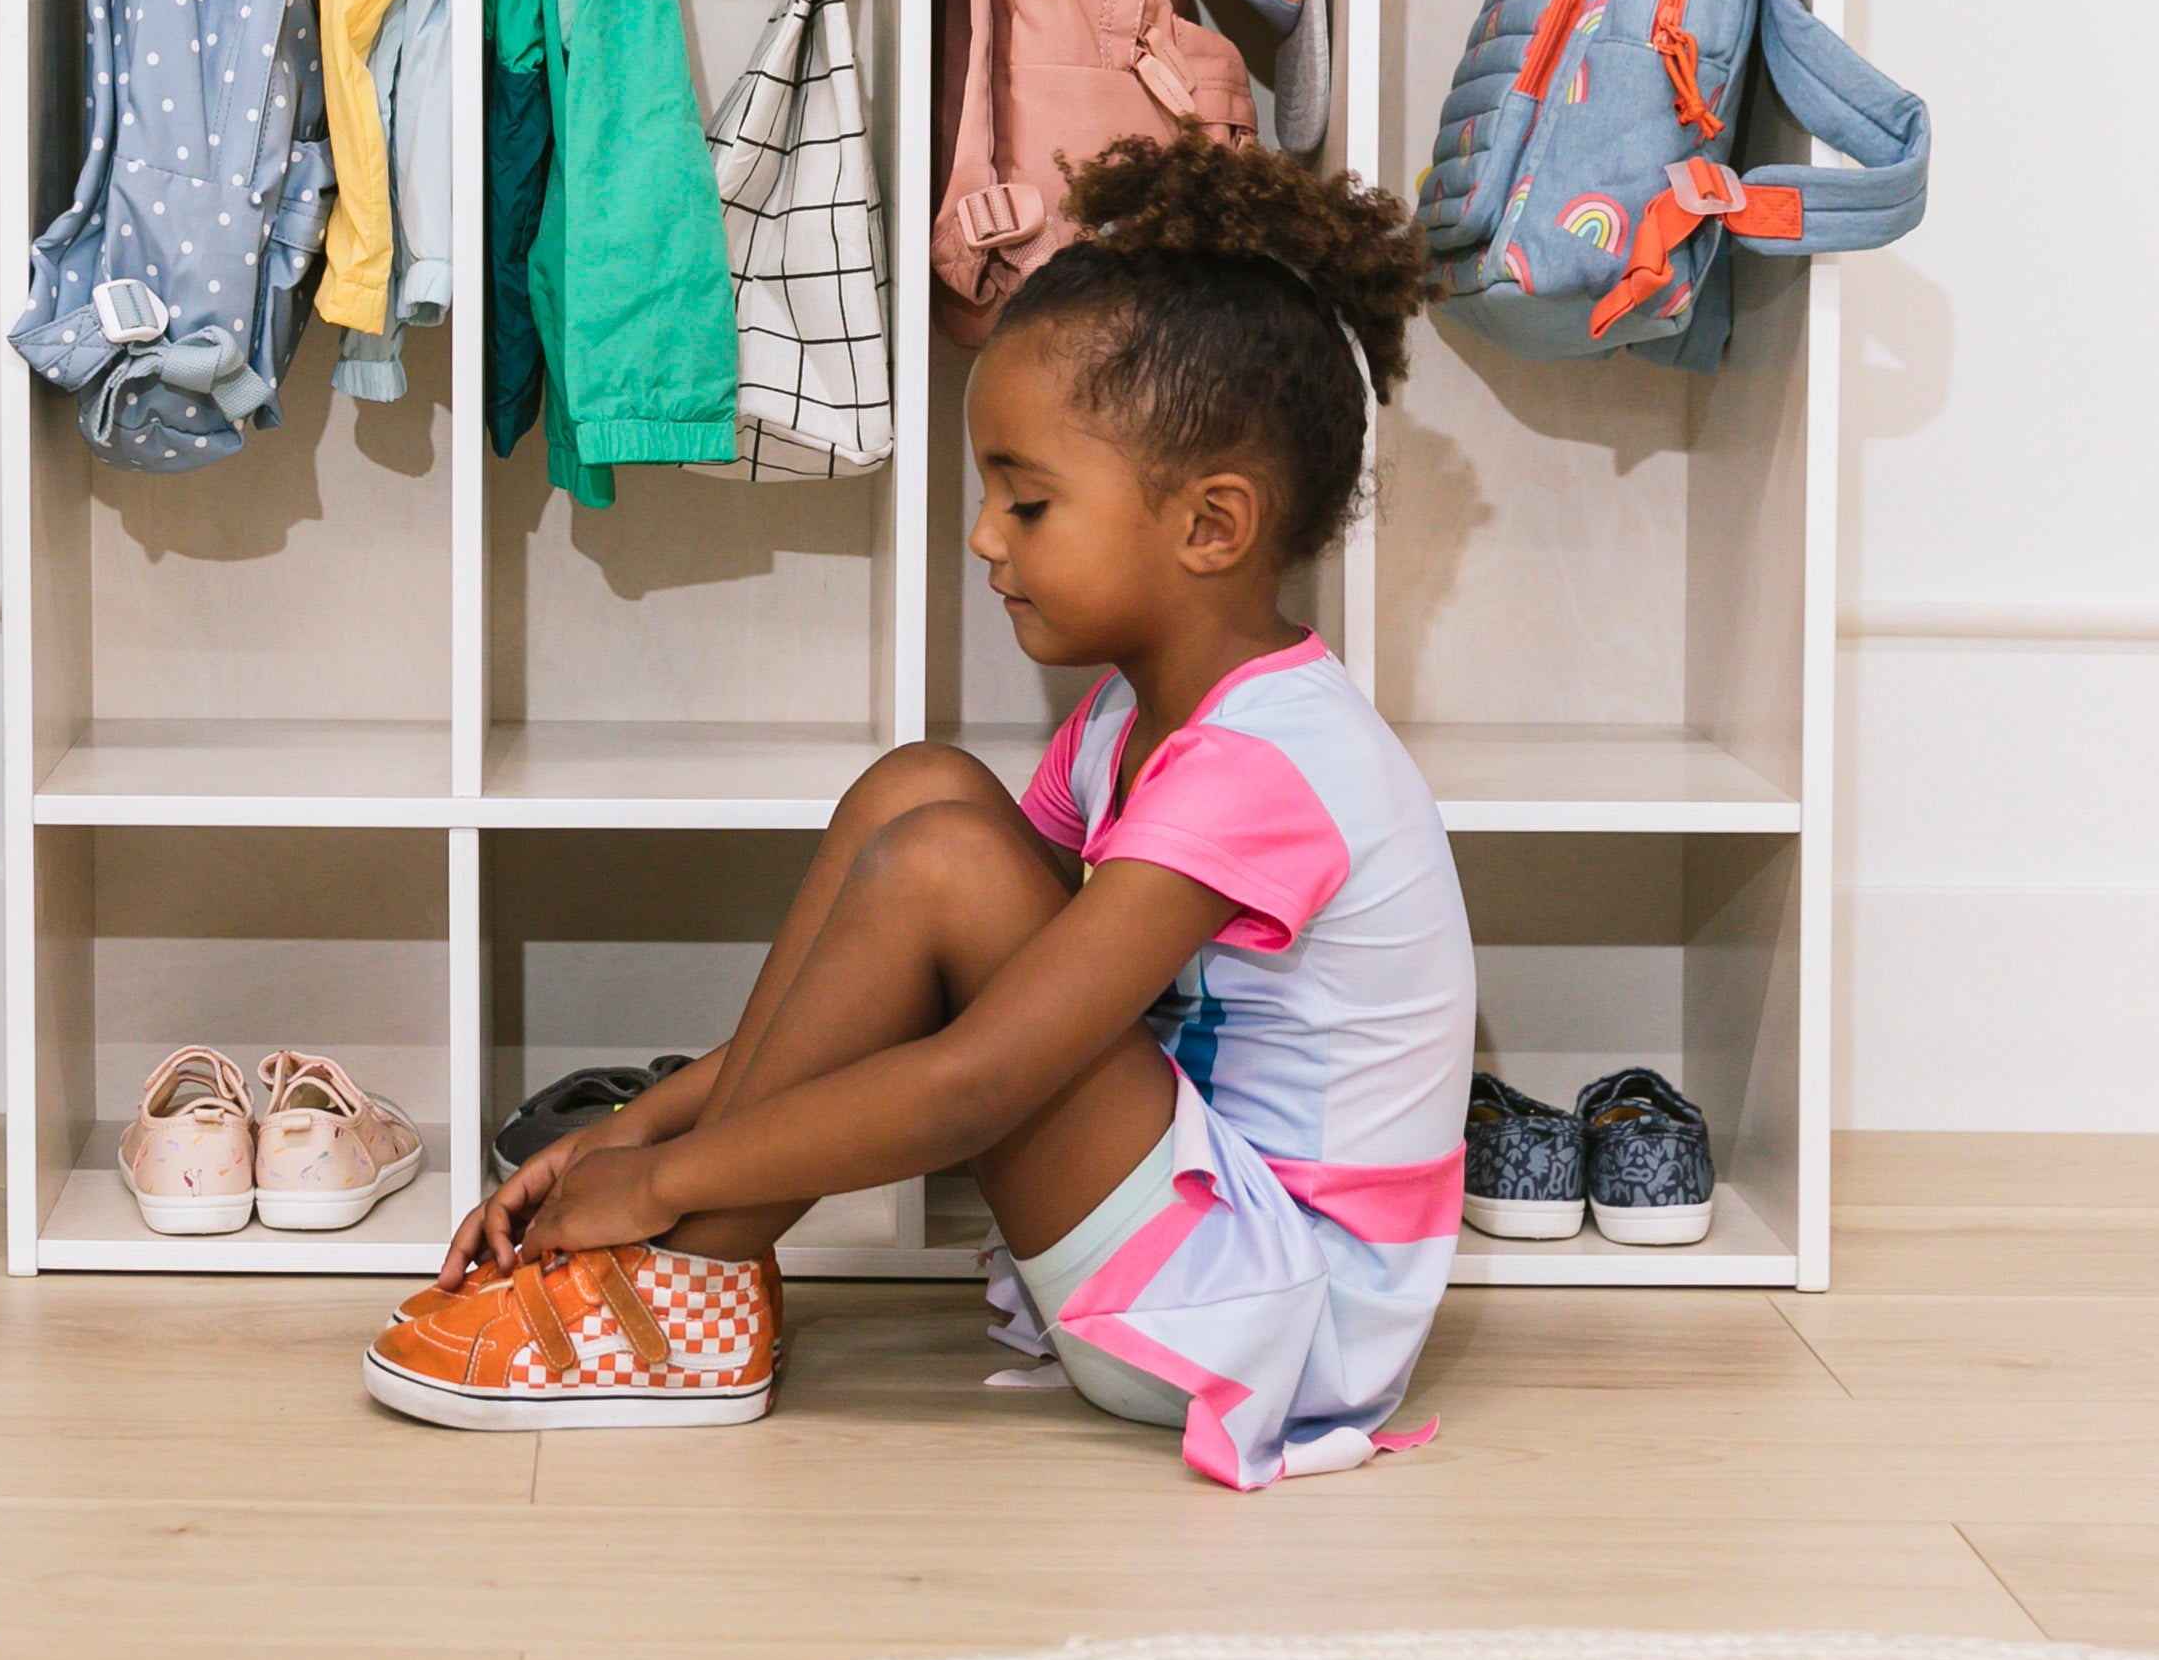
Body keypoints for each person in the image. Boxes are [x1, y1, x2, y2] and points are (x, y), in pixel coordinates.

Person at [366, 131, 1477, 1488]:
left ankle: (690, 1281)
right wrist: (633, 1132)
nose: (985, 536)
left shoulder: (1270, 764)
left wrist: (660, 1184)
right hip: (1203, 1240)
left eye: (1029, 500)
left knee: (945, 855)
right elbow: (896, 991)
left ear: (1211, 526)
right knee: (922, 788)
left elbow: (976, 1080)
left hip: (1277, 1323)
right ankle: (701, 1276)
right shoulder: (1129, 720)